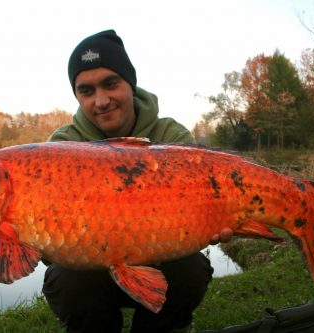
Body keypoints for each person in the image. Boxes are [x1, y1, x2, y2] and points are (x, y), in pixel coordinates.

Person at [42, 29, 228, 333]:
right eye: (86, 91)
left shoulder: (172, 137)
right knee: (66, 279)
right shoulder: (61, 147)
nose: (101, 101)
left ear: (130, 83)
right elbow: (49, 242)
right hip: (91, 273)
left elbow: (207, 199)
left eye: (110, 84)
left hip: (160, 262)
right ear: (77, 95)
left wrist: (215, 218)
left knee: (191, 268)